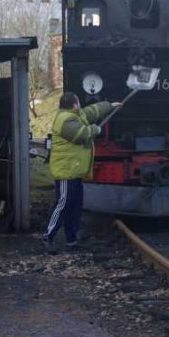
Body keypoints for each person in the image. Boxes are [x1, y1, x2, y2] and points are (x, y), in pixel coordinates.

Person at [45, 91, 120, 251]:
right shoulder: (65, 120)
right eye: (78, 103)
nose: (80, 106)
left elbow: (92, 111)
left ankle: (71, 240)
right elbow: (81, 135)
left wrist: (109, 106)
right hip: (66, 172)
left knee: (74, 208)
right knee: (62, 204)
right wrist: (96, 129)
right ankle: (48, 236)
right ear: (74, 104)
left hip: (75, 172)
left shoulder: (76, 115)